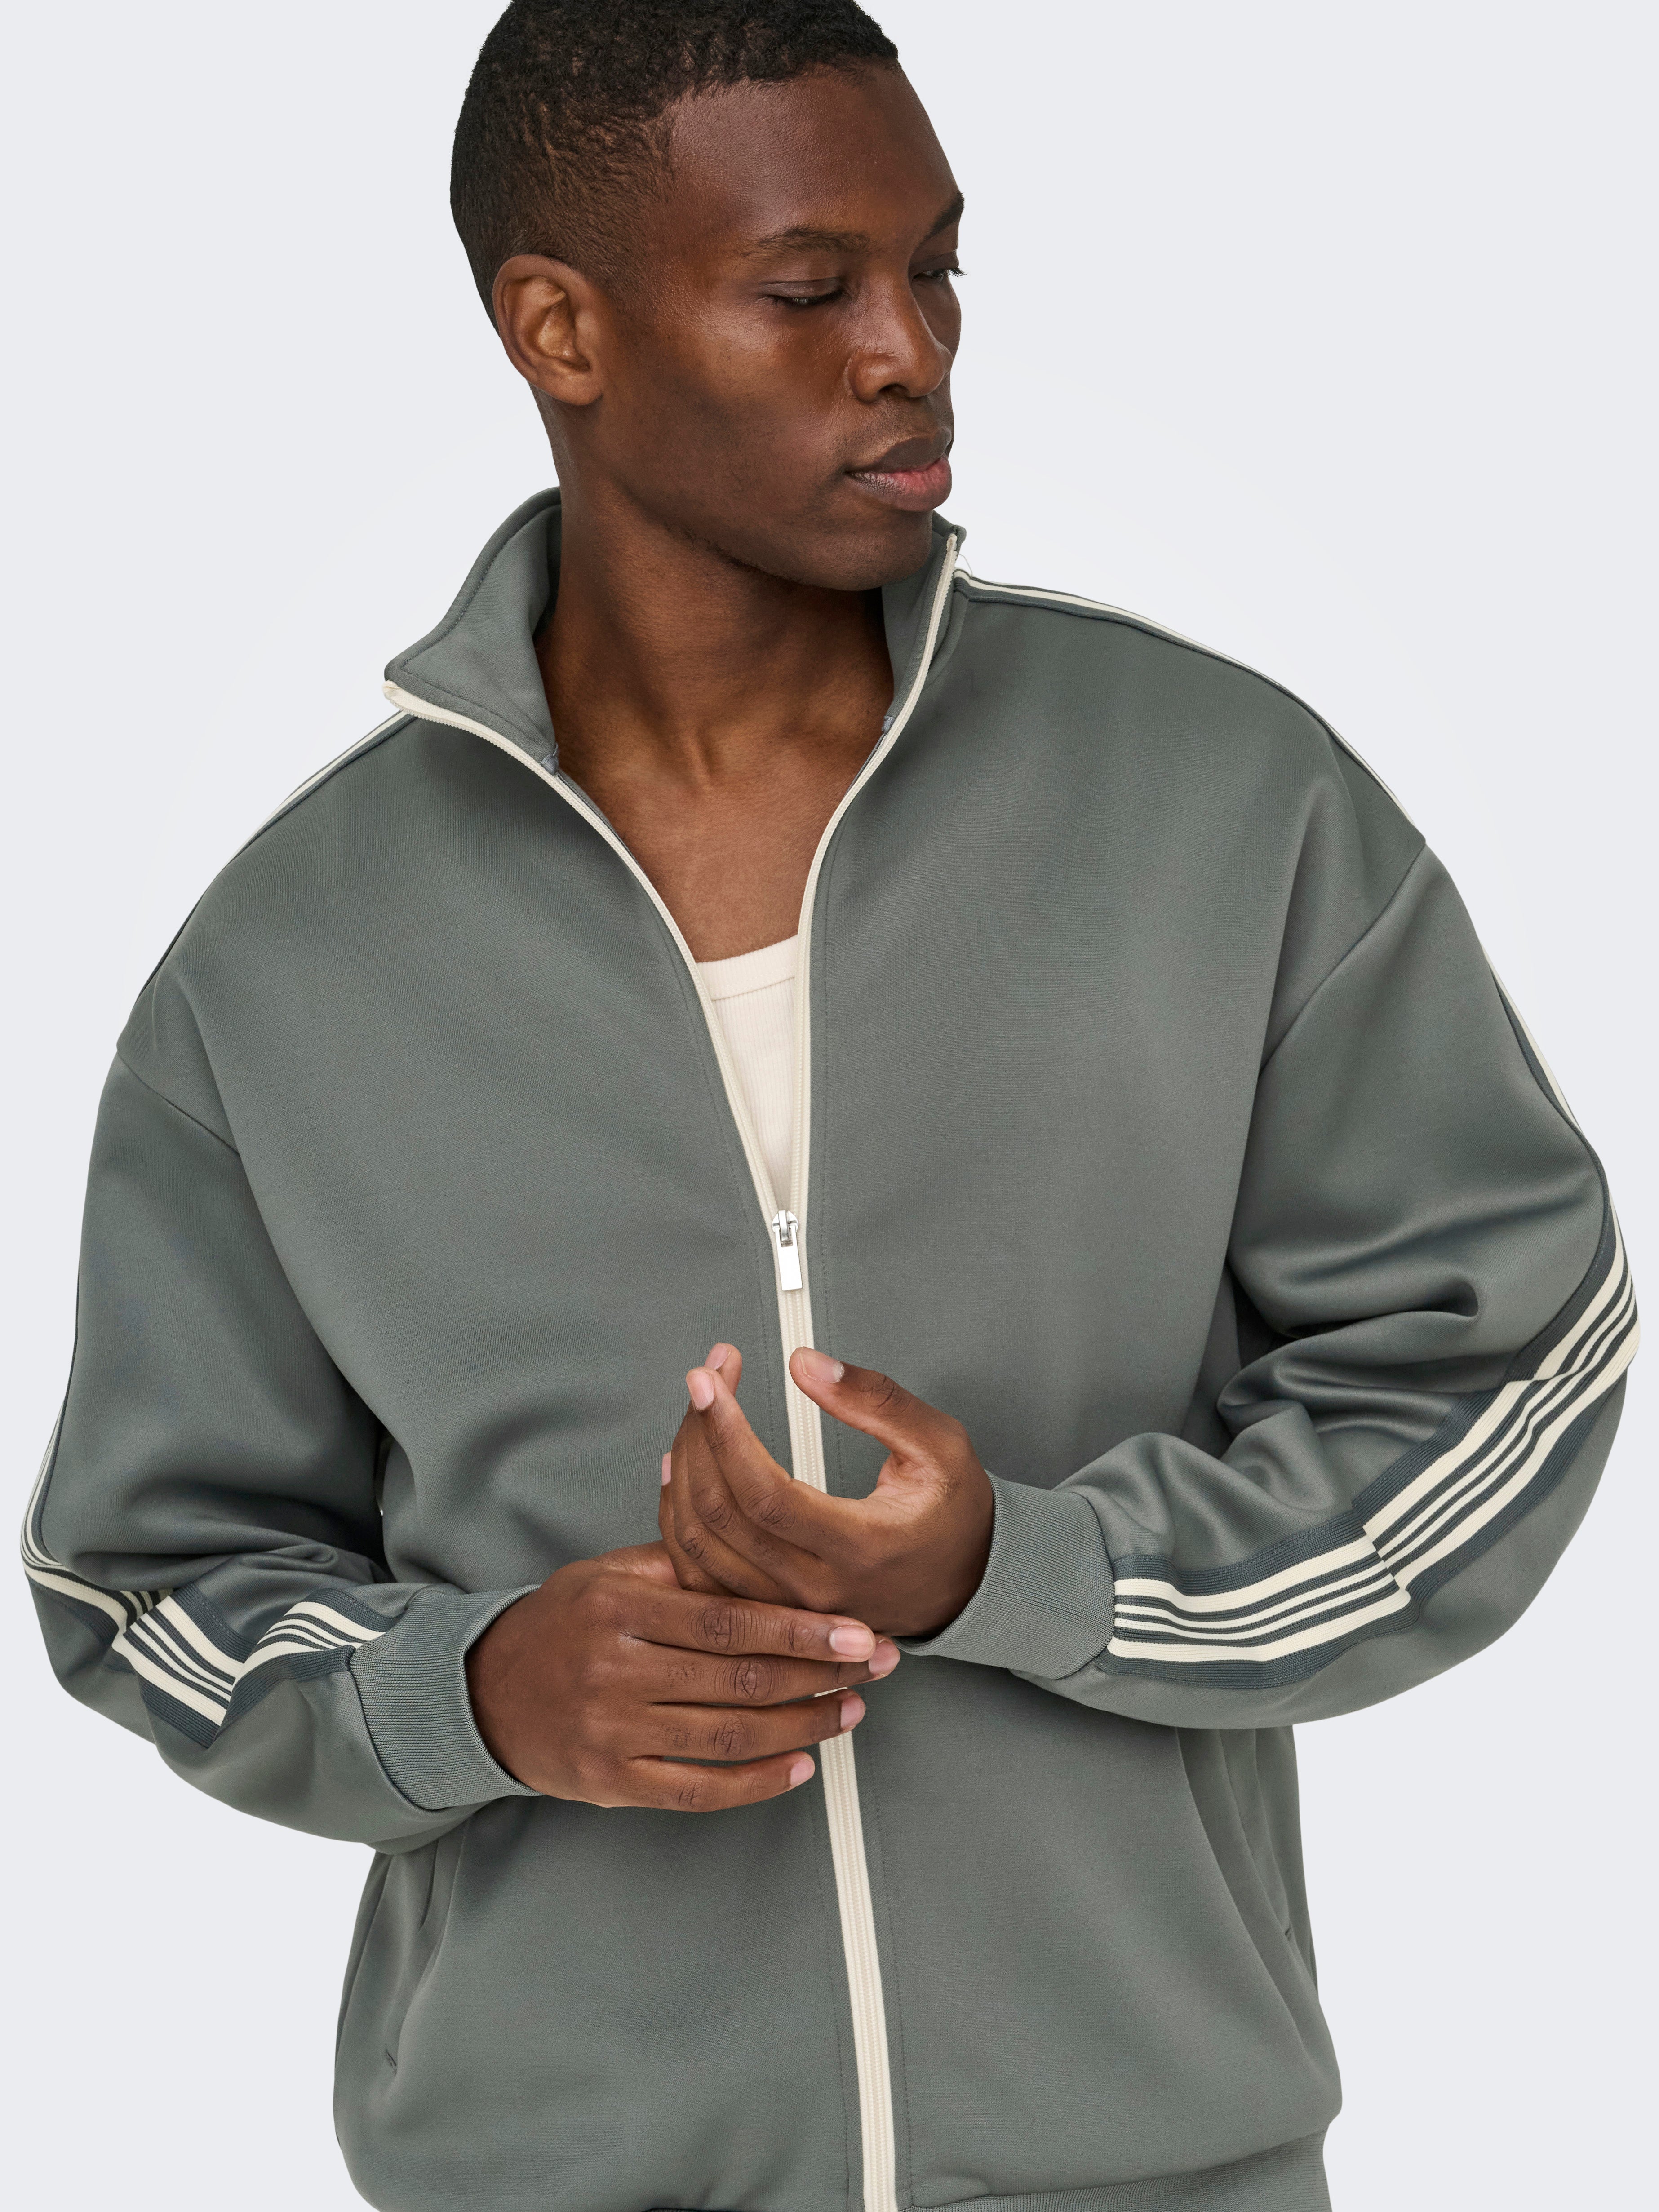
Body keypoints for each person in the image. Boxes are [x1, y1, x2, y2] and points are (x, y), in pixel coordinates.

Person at [22, 3, 1635, 2208]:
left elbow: (1502, 1365)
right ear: (561, 328)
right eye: (808, 288)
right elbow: (148, 1574)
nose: (908, 352)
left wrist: (1025, 1570)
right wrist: (473, 1695)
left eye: (934, 268)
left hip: (1148, 2167)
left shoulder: (1217, 805)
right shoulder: (290, 963)